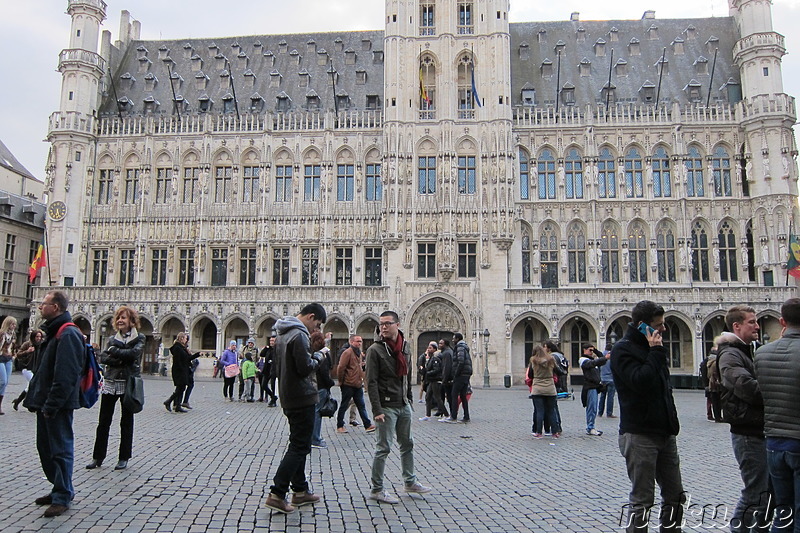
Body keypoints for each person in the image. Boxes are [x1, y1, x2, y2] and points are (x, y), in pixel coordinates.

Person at [611, 300, 684, 533]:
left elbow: (663, 389)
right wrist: (655, 352)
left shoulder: (655, 348)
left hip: (664, 432)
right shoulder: (623, 349)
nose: (663, 329)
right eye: (659, 325)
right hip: (640, 433)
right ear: (643, 326)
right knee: (642, 500)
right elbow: (639, 382)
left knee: (675, 495)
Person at [23, 290, 85, 517]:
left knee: (59, 450)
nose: (40, 306)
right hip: (46, 401)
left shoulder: (67, 334)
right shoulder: (53, 332)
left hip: (56, 404)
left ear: (56, 307)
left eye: (44, 303)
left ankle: (63, 494)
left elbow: (66, 375)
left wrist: (51, 404)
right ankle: (60, 487)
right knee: (46, 449)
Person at [265, 303, 327, 514]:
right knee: (299, 447)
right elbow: (305, 367)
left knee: (298, 443)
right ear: (310, 317)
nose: (315, 330)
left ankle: (300, 490)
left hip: (289, 395)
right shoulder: (299, 335)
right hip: (302, 396)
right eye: (316, 324)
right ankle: (277, 492)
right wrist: (320, 355)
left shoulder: (282, 333)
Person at [717, 305, 773, 533]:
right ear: (736, 326)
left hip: (756, 429)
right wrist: (774, 392)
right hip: (747, 432)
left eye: (758, 321)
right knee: (756, 491)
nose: (757, 326)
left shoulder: (743, 351)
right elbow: (744, 387)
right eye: (752, 322)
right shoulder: (731, 354)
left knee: (766, 492)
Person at [365, 310, 431, 504]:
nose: (383, 327)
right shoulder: (374, 350)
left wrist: (409, 399)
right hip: (386, 406)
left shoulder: (405, 347)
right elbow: (371, 382)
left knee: (407, 444)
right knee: (383, 447)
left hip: (402, 404)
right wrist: (376, 410)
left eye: (387, 323)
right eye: (381, 324)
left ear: (398, 325)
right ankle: (377, 489)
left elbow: (406, 375)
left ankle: (410, 481)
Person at [754, 297, 800, 532]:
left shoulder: (762, 353)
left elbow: (760, 391)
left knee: (783, 509)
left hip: (773, 441)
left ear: (782, 321)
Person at [86, 306, 145, 471]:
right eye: (118, 317)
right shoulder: (112, 339)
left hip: (128, 383)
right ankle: (98, 457)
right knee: (103, 422)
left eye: (123, 318)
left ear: (131, 321)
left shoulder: (139, 338)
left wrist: (115, 353)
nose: (120, 320)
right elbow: (103, 357)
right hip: (111, 382)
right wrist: (118, 358)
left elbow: (134, 354)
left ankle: (123, 457)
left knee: (126, 422)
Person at [335, 334, 375, 433]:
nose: (359, 343)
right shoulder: (347, 352)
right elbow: (341, 367)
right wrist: (340, 381)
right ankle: (340, 426)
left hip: (357, 384)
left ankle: (367, 425)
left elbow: (358, 367)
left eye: (360, 341)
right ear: (351, 342)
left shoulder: (359, 353)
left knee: (361, 405)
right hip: (348, 384)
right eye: (357, 341)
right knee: (344, 405)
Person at [527, 344, 561, 439]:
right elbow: (559, 371)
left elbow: (530, 375)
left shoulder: (533, 361)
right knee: (551, 411)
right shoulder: (551, 360)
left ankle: (538, 432)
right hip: (550, 388)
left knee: (539, 411)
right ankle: (555, 432)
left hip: (537, 388)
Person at [164, 333, 198, 413]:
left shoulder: (182, 348)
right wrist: (183, 370)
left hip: (183, 370)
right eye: (186, 338)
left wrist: (196, 355)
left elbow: (187, 358)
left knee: (181, 388)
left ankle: (177, 405)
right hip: (179, 371)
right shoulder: (177, 348)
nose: (187, 340)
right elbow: (181, 360)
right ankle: (168, 402)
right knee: (180, 388)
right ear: (181, 338)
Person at [579, 343, 608, 435]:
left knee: (593, 407)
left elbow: (602, 360)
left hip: (595, 386)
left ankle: (591, 426)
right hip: (589, 386)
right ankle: (590, 427)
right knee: (591, 408)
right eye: (589, 350)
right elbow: (592, 363)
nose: (591, 352)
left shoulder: (592, 360)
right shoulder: (583, 360)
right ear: (584, 350)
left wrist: (595, 351)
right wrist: (605, 357)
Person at [11, 329, 43, 411]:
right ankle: (31, 404)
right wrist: (27, 351)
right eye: (37, 336)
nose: (38, 338)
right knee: (34, 384)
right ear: (33, 337)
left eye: (40, 336)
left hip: (37, 369)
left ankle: (17, 401)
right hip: (27, 368)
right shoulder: (27, 344)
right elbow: (18, 354)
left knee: (29, 387)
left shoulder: (42, 345)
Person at [312, 332, 334, 449]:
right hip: (321, 387)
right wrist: (330, 383)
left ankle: (311, 436)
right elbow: (324, 372)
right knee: (317, 412)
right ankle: (315, 438)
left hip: (312, 386)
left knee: (312, 411)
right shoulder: (322, 355)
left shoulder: (310, 353)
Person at [444, 332, 472, 423]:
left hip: (461, 374)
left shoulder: (460, 347)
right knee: (463, 396)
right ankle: (466, 417)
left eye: (454, 338)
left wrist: (456, 374)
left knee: (454, 395)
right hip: (466, 374)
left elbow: (461, 361)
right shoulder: (465, 347)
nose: (452, 340)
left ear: (457, 339)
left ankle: (453, 416)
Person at [420, 342, 447, 421]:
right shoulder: (431, 358)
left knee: (438, 398)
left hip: (435, 380)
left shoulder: (435, 359)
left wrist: (426, 373)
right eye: (428, 348)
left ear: (434, 349)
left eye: (430, 348)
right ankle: (427, 415)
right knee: (428, 397)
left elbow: (436, 370)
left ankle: (446, 414)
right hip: (431, 381)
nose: (428, 349)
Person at [0, 316, 18, 414]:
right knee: (3, 381)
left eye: (14, 324)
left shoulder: (13, 335)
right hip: (1, 358)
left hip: (9, 359)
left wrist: (14, 355)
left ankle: (0, 405)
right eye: (12, 324)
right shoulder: (1, 333)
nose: (13, 326)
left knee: (5, 383)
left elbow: (14, 347)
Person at [598, 342, 617, 418]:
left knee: (602, 396)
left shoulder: (601, 356)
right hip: (611, 379)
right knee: (610, 396)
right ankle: (609, 413)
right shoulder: (612, 357)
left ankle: (600, 412)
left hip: (603, 378)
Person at [706, 346, 723, 422]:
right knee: (717, 402)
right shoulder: (715, 362)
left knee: (714, 401)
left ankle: (717, 416)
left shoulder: (709, 362)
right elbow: (716, 373)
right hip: (716, 384)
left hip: (711, 383)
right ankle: (718, 417)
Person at [438, 338, 453, 418]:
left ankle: (451, 415)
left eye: (441, 343)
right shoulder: (449, 351)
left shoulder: (447, 353)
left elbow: (446, 367)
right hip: (449, 379)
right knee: (448, 397)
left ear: (445, 344)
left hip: (448, 380)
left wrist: (444, 379)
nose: (439, 345)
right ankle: (446, 413)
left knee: (450, 398)